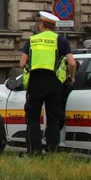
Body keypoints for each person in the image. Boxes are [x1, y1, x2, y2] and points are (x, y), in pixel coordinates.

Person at [19, 11, 77, 156]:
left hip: (35, 83)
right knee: (53, 119)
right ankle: (52, 151)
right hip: (54, 84)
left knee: (32, 119)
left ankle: (34, 152)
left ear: (41, 24)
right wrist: (72, 76)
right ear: (54, 27)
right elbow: (72, 63)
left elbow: (22, 63)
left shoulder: (32, 40)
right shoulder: (61, 41)